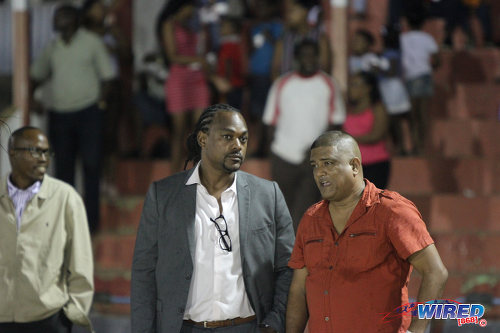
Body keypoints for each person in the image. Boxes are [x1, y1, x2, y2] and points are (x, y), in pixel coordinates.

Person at [131, 104, 295, 333]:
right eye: (228, 136)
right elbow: (144, 272)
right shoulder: (163, 195)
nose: (238, 146)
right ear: (203, 139)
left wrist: (274, 321)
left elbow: (289, 266)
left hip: (247, 326)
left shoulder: (268, 195)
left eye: (244, 139)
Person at [286, 131, 448, 333]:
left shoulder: (392, 211)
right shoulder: (311, 219)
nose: (319, 172)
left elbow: (436, 272)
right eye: (315, 166)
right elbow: (299, 290)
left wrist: (417, 331)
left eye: (328, 163)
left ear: (354, 166)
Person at [30, 4, 115, 233]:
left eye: (63, 16)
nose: (57, 19)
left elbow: (108, 78)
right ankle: (66, 224)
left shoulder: (92, 43)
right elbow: (35, 76)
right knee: (62, 171)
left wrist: (100, 105)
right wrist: (32, 99)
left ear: (75, 20)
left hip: (88, 113)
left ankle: (92, 223)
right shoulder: (52, 47)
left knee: (91, 166)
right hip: (59, 116)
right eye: (56, 15)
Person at [0, 127, 94, 333]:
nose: (43, 158)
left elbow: (81, 265)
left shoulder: (66, 198)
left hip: (47, 320)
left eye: (46, 152)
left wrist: (71, 315)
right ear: (12, 152)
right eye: (35, 151)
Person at [263, 39, 345, 231]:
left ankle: (297, 257)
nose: (309, 59)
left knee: (305, 209)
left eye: (312, 55)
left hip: (314, 159)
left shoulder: (328, 84)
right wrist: (273, 154)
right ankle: (287, 255)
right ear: (296, 58)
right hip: (283, 155)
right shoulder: (282, 84)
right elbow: (270, 122)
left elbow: (335, 122)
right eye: (304, 55)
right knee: (282, 209)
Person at [158, 0, 211, 173]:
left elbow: (202, 50)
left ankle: (199, 179)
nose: (192, 11)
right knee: (179, 133)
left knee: (201, 132)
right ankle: (175, 179)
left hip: (197, 79)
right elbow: (172, 56)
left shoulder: (193, 26)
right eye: (191, 7)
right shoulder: (169, 25)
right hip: (179, 80)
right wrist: (199, 60)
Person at [343, 71, 391, 189]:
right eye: (350, 85)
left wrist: (348, 138)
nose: (350, 89)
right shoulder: (348, 110)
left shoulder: (377, 108)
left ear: (367, 88)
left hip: (375, 164)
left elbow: (376, 135)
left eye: (355, 85)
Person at [400, 13, 440, 154]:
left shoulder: (402, 38)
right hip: (424, 76)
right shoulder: (427, 38)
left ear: (407, 23)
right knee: (422, 114)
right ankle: (420, 145)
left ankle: (416, 144)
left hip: (410, 78)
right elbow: (437, 60)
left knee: (413, 115)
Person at [271, 0, 331, 79]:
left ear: (305, 12)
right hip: (288, 88)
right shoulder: (284, 39)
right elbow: (275, 69)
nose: (289, 15)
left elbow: (325, 68)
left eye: (293, 11)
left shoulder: (320, 38)